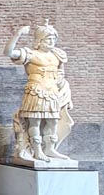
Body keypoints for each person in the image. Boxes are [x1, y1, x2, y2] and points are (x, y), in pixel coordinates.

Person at [4, 20, 73, 162]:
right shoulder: (31, 54)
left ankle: (50, 148)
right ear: (40, 40)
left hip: (52, 91)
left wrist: (65, 91)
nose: (51, 42)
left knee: (53, 121)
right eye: (48, 39)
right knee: (34, 121)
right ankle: (37, 150)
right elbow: (8, 52)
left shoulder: (58, 55)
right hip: (36, 90)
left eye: (54, 39)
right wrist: (18, 34)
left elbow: (61, 75)